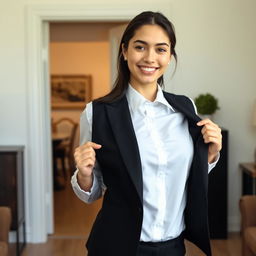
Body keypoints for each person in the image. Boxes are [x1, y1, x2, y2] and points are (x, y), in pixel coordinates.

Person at [71, 11, 222, 256]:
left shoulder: (186, 108)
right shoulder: (97, 113)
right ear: (124, 51)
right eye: (140, 47)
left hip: (173, 247)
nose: (150, 58)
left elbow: (185, 176)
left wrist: (210, 155)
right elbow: (93, 192)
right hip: (116, 247)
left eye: (161, 49)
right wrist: (84, 175)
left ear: (170, 56)